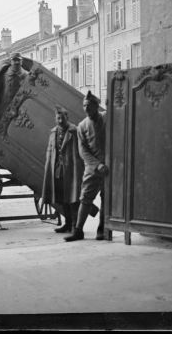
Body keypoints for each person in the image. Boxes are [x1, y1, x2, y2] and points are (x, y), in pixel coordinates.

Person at [65, 91, 107, 242]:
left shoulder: (107, 118)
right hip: (92, 168)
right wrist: (97, 165)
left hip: (110, 168)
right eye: (84, 106)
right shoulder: (82, 126)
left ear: (96, 106)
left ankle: (102, 228)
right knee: (85, 198)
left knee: (107, 198)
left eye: (89, 106)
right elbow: (83, 151)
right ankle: (78, 230)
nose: (86, 109)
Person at [42, 106, 84, 234]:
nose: (60, 121)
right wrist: (49, 167)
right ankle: (67, 223)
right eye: (58, 118)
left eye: (62, 118)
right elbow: (49, 151)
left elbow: (81, 151)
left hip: (72, 169)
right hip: (57, 169)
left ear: (67, 117)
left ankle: (75, 226)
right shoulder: (53, 132)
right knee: (62, 197)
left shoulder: (74, 131)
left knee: (73, 198)